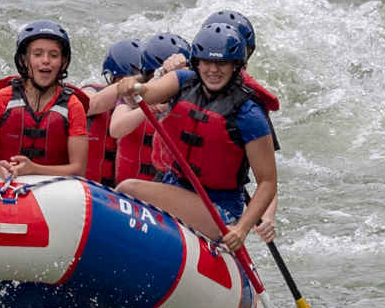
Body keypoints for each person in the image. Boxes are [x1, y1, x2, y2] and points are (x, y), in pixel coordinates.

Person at [115, 23, 277, 252]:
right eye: (206, 62)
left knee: (127, 189)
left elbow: (268, 182)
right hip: (175, 187)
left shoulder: (249, 114)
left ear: (235, 66)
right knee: (126, 192)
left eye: (221, 63)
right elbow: (147, 94)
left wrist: (241, 229)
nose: (213, 70)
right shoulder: (182, 81)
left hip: (218, 209)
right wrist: (133, 87)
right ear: (197, 62)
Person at [0, 20, 88, 179]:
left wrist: (34, 169)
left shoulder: (73, 105)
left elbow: (78, 169)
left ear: (63, 62)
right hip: (2, 182)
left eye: (54, 55)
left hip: (54, 189)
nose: (46, 60)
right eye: (37, 54)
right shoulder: (2, 98)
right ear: (24, 60)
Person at [203, 9, 282, 243]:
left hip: (221, 200)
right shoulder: (186, 84)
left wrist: (267, 217)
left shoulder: (250, 108)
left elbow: (267, 177)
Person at [109, 33, 190, 184]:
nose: (167, 83)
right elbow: (115, 129)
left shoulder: (189, 101)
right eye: (162, 77)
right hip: (127, 194)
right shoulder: (132, 98)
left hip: (163, 193)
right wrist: (149, 107)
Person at [78, 38, 145, 187]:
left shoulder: (151, 105)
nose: (130, 89)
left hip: (127, 199)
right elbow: (86, 104)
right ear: (113, 79)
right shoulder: (93, 92)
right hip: (88, 190)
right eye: (122, 80)